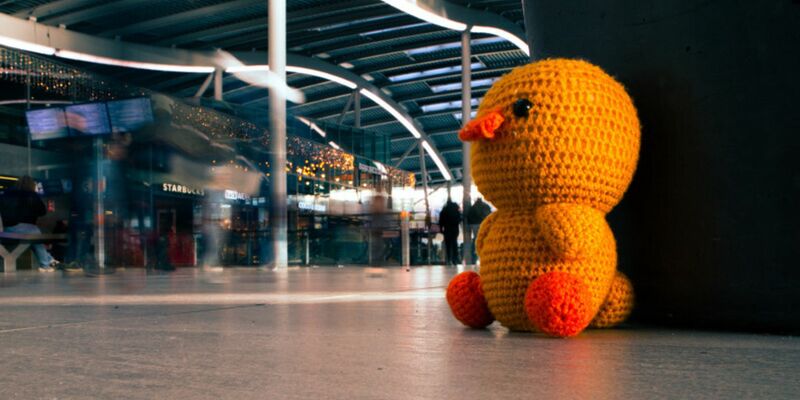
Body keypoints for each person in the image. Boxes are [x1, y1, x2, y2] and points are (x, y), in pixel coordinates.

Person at [0, 176, 61, 271]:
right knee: (35, 235)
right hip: (26, 228)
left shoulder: (7, 194)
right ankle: (45, 264)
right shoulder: (32, 195)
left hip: (7, 228)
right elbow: (42, 211)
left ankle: (49, 260)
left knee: (33, 239)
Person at [438, 199, 461, 266]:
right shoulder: (456, 210)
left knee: (448, 244)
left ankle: (448, 259)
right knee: (454, 243)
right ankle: (455, 259)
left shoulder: (444, 210)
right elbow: (459, 219)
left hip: (447, 229)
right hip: (455, 229)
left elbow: (441, 221)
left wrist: (441, 229)